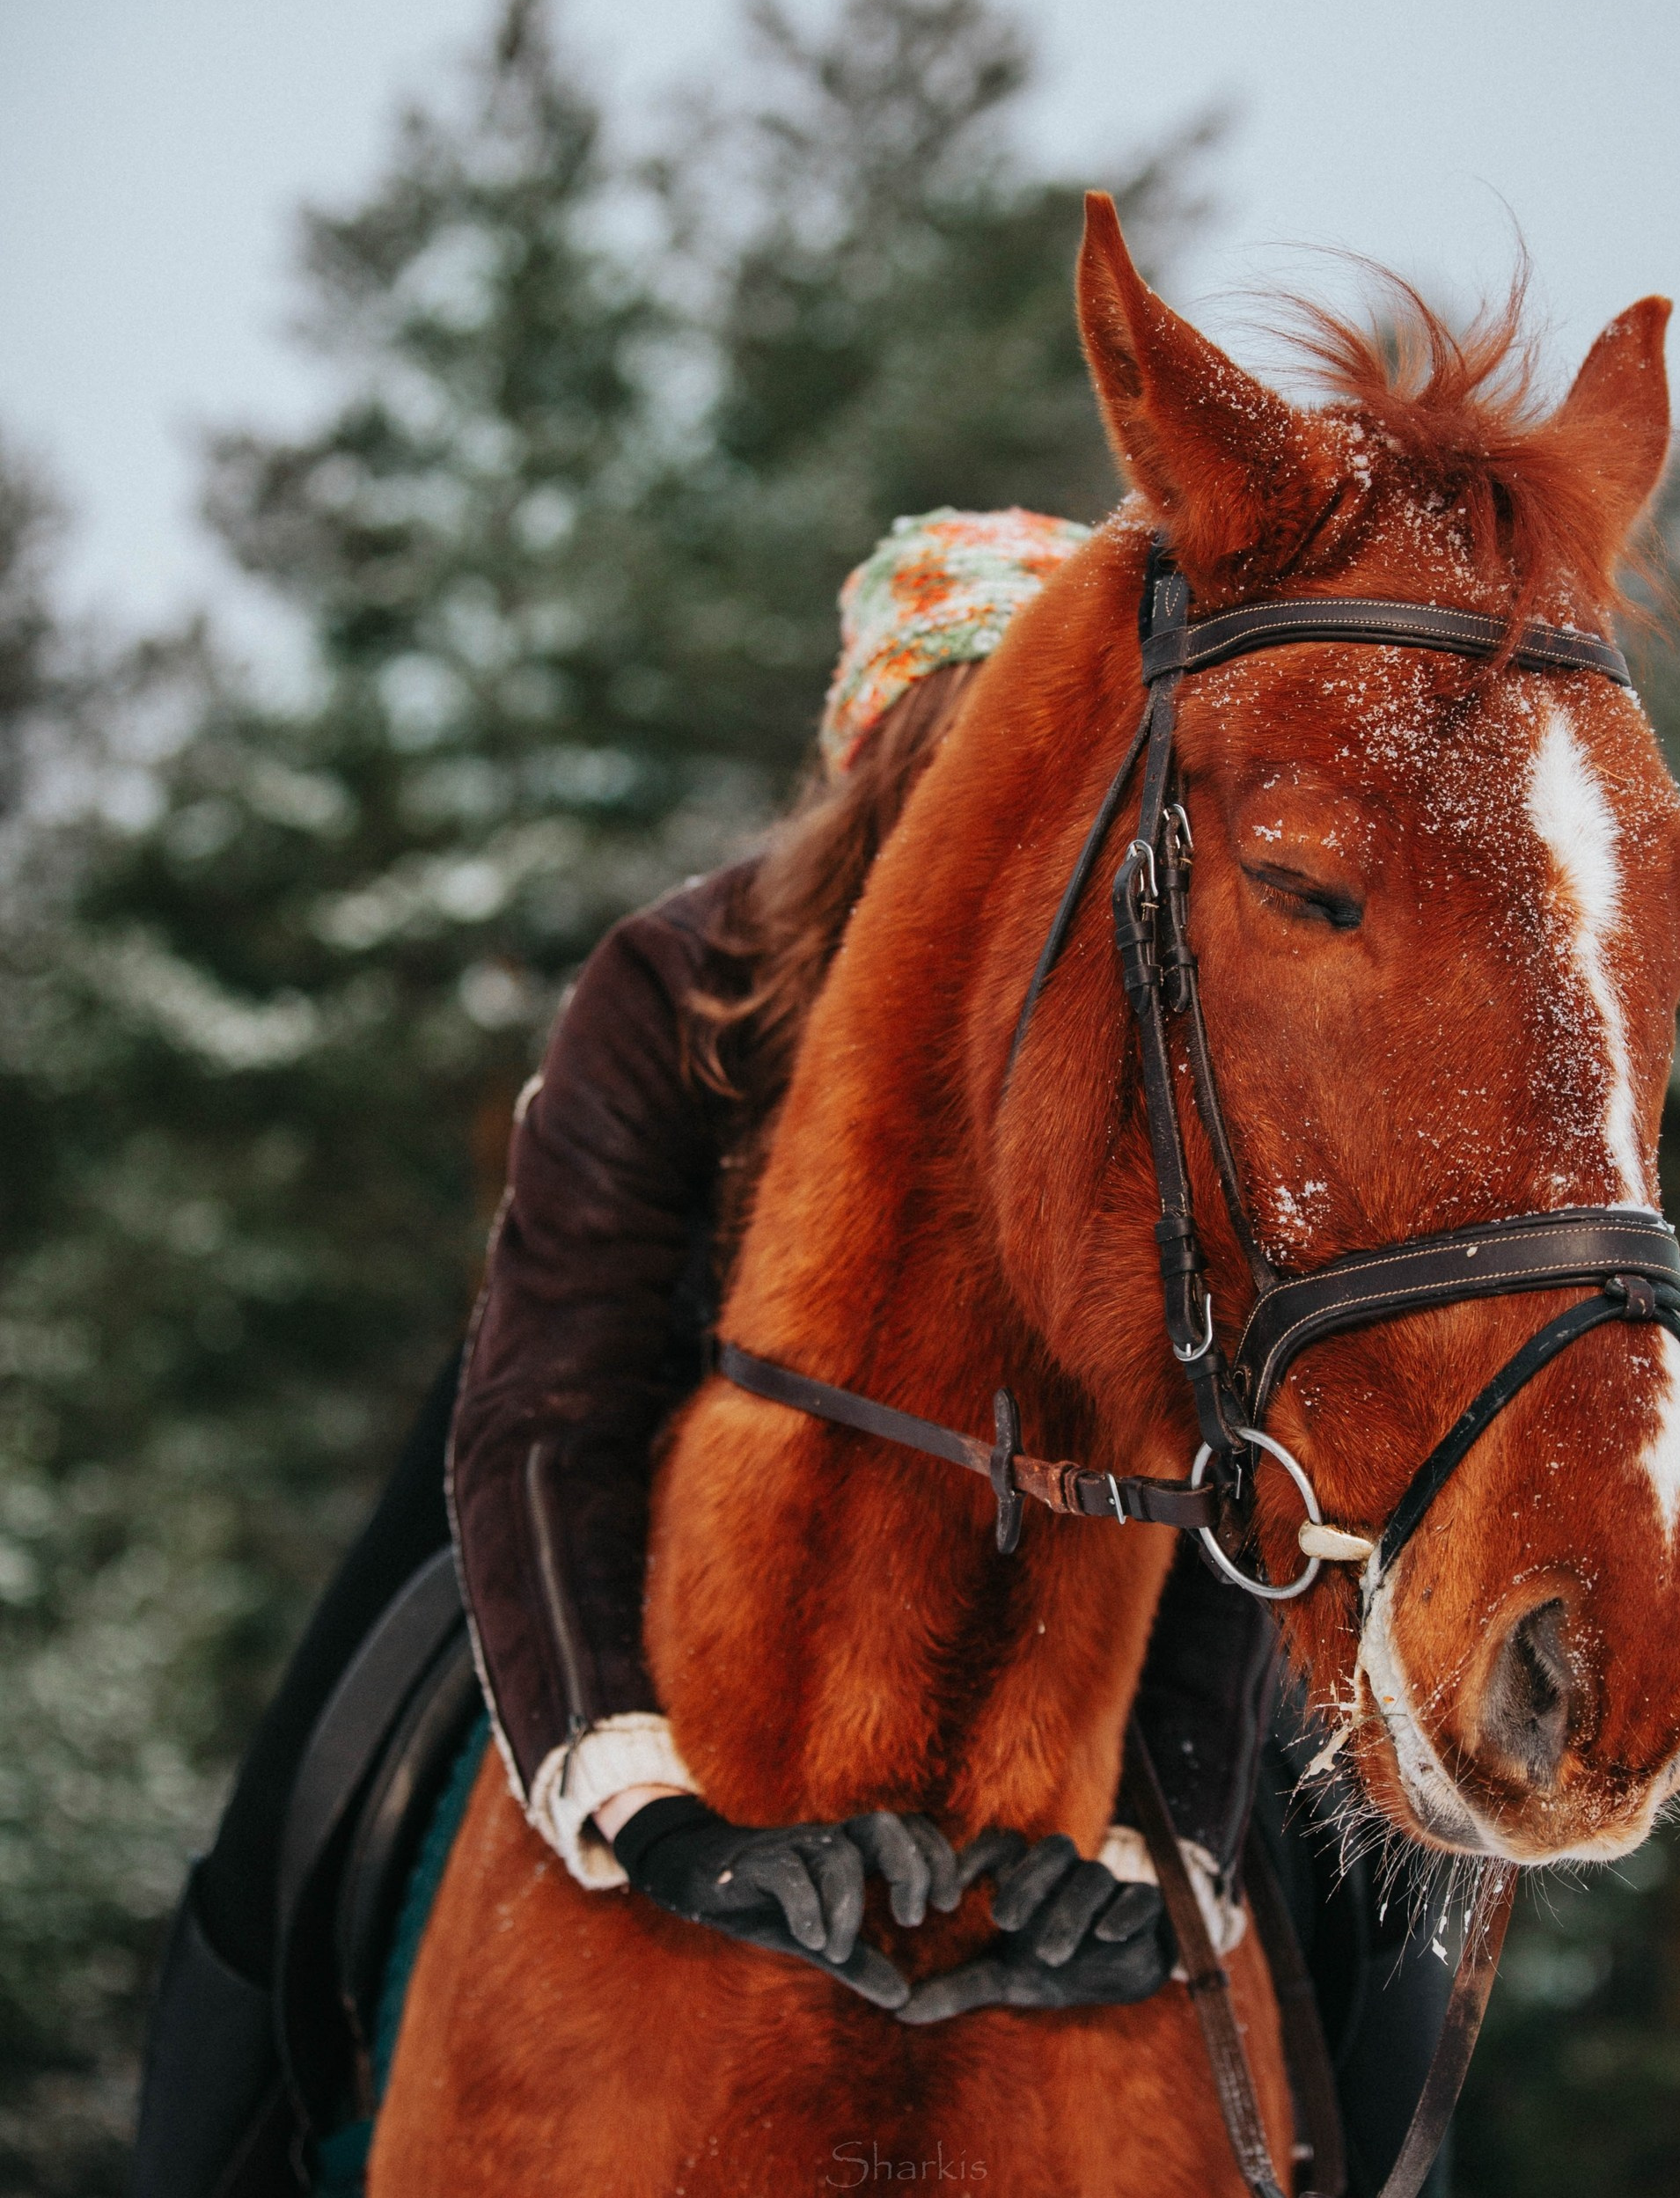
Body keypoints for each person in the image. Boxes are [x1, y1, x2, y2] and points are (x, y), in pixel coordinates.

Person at [133, 510, 1450, 2196]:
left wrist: (1164, 1834)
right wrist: (641, 1793)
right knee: (304, 1798)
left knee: (1372, 1915)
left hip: (1083, 1567)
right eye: (980, 747)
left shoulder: (1170, 1014)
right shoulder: (688, 976)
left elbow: (1218, 1424)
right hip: (623, 1450)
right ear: (885, 747)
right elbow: (554, 1393)